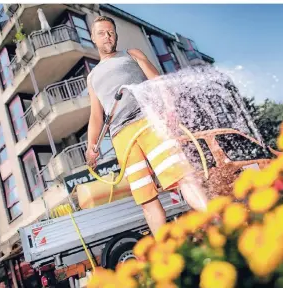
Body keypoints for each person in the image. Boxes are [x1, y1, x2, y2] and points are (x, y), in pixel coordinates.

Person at [85, 16, 208, 235]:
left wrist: (169, 110)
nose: (108, 36)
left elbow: (158, 82)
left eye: (111, 32)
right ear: (93, 38)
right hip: (122, 138)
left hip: (149, 123)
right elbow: (96, 115)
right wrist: (90, 145)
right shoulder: (92, 77)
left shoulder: (132, 55)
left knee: (183, 178)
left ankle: (216, 222)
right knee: (146, 198)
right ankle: (165, 254)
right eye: (102, 33)